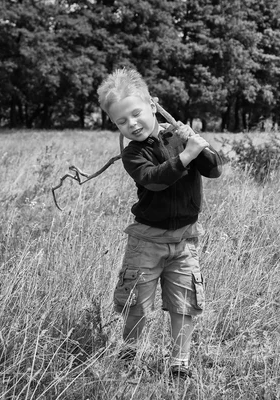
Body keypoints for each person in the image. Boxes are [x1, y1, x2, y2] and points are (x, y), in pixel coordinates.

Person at [97, 68, 222, 381]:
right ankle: (129, 357)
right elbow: (154, 181)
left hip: (185, 240)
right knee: (136, 302)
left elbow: (214, 168)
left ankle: (180, 361)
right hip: (147, 240)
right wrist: (184, 158)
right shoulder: (133, 153)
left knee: (185, 302)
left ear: (152, 106)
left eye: (136, 114)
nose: (132, 124)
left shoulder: (178, 136)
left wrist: (196, 145)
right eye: (121, 121)